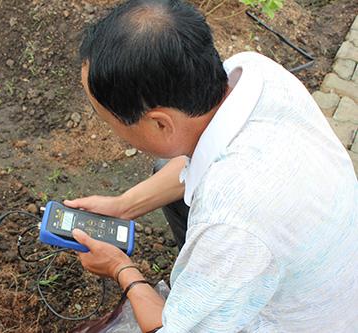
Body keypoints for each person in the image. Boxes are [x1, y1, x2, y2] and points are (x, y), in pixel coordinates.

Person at [64, 0, 358, 332]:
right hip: (326, 270)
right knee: (167, 168)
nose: (110, 130)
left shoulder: (232, 225)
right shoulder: (254, 71)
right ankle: (203, 283)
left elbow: (169, 328)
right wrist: (123, 206)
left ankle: (202, 291)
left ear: (160, 124)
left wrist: (121, 268)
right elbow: (196, 165)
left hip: (305, 321)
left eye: (109, 122)